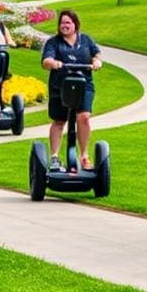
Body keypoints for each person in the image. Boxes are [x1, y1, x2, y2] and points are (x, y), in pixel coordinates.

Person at [41, 9, 105, 172]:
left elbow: (96, 55)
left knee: (83, 117)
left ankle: (84, 156)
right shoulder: (54, 42)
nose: (64, 25)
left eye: (68, 22)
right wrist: (53, 63)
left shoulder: (85, 40)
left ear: (75, 24)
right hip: (59, 86)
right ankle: (54, 157)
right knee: (59, 121)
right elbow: (46, 60)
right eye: (62, 23)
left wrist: (97, 62)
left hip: (84, 85)